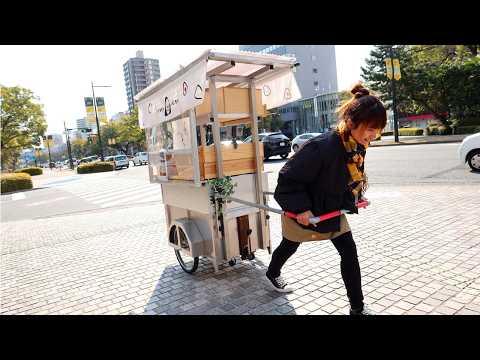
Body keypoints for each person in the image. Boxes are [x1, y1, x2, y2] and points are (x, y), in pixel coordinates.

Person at [266, 83, 387, 315]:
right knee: (289, 245)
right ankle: (272, 273)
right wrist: (301, 209)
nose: (374, 135)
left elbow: (348, 177)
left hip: (332, 210)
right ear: (351, 123)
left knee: (349, 252)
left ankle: (357, 308)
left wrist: (356, 197)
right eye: (371, 129)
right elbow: (286, 180)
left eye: (378, 129)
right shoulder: (321, 147)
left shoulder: (356, 145)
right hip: (307, 213)